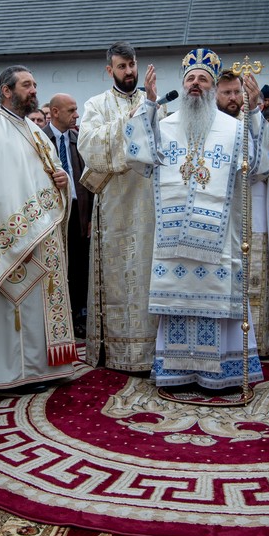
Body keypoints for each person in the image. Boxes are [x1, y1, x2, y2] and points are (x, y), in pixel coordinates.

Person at [124, 49, 269, 393]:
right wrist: (148, 103)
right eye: (190, 78)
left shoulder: (234, 129)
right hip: (173, 241)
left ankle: (218, 374)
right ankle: (176, 373)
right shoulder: (163, 126)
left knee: (217, 303)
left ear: (212, 88)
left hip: (219, 242)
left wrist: (253, 113)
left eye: (203, 79)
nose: (195, 84)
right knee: (178, 303)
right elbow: (137, 156)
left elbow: (261, 164)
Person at [0, 66, 79, 391]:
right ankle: (15, 374)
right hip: (16, 238)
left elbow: (50, 170)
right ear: (6, 90)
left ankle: (44, 367)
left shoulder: (33, 128)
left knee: (40, 305)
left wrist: (61, 180)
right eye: (27, 85)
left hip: (42, 232)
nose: (33, 90)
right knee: (19, 305)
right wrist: (22, 231)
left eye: (35, 84)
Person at [78, 41, 159, 372]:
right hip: (114, 204)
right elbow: (89, 146)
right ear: (109, 70)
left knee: (149, 273)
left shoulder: (154, 102)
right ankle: (115, 350)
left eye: (133, 64)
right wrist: (132, 118)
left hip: (150, 203)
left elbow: (165, 143)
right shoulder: (96, 104)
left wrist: (150, 108)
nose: (129, 71)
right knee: (117, 278)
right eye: (122, 66)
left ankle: (154, 350)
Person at [216, 71, 269, 358]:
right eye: (226, 93)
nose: (233, 98)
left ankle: (255, 347)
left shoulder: (251, 121)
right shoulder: (209, 125)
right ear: (215, 95)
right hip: (217, 216)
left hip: (250, 211)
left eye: (237, 92)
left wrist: (254, 109)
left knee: (251, 278)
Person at [45, 92, 92, 337]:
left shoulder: (78, 139)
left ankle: (78, 316)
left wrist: (89, 217)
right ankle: (59, 316)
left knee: (79, 266)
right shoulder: (41, 139)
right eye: (71, 110)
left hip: (79, 212)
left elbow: (88, 180)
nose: (76, 115)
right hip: (55, 214)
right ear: (54, 112)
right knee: (60, 267)